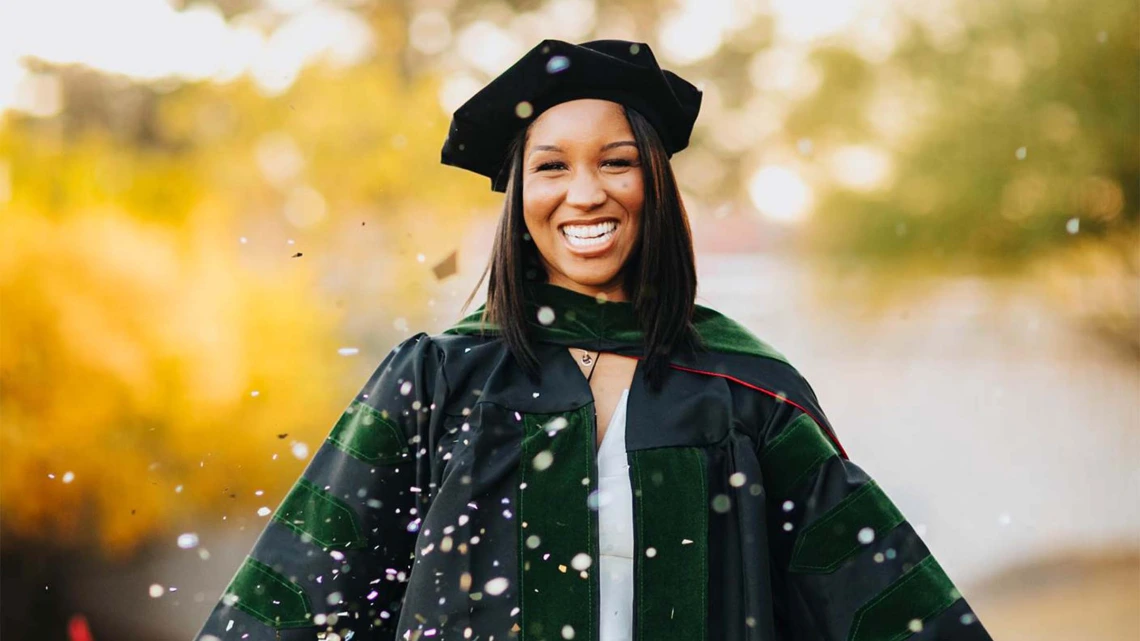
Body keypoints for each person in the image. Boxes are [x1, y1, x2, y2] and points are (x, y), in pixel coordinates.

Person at [193, 39, 992, 641]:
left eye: (616, 162)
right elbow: (299, 591)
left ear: (654, 182)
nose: (585, 193)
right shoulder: (438, 381)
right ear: (519, 198)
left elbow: (881, 600)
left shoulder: (746, 395)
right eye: (550, 168)